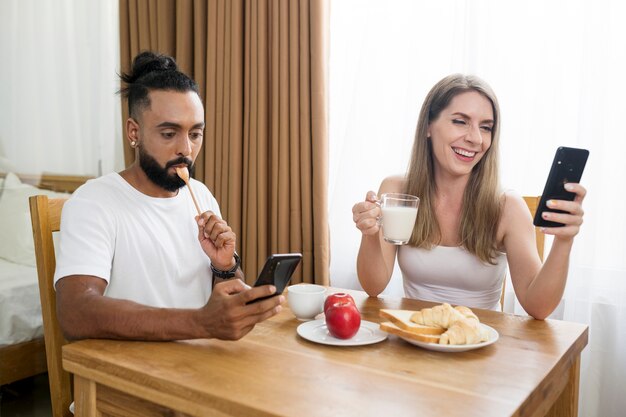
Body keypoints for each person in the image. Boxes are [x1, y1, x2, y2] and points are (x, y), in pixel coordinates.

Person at [54, 51, 283, 341]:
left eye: (195, 134)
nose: (186, 149)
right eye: (168, 133)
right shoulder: (93, 202)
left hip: (202, 360)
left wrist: (224, 267)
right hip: (133, 374)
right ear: (133, 132)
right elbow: (76, 313)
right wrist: (201, 323)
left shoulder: (199, 194)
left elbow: (227, 298)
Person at [351, 74, 586, 319]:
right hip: (414, 340)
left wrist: (564, 240)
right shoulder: (397, 191)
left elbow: (539, 307)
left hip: (481, 343)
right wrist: (370, 234)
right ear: (428, 127)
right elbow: (373, 286)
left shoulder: (507, 206)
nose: (475, 138)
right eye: (460, 122)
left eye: (486, 127)